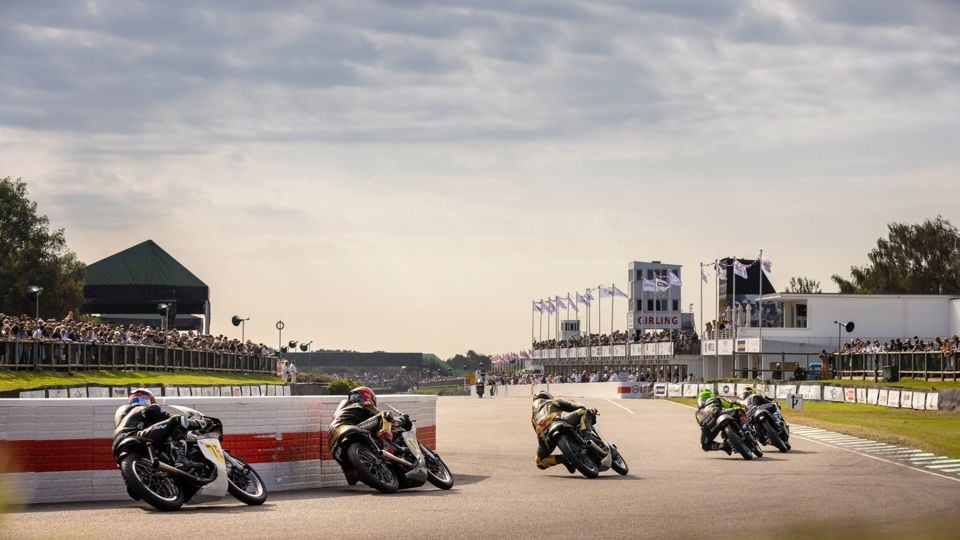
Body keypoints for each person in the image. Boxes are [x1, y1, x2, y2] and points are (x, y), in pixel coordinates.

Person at [328, 386, 401, 484]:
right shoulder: (363, 404)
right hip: (348, 427)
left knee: (351, 476)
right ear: (367, 396)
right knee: (385, 414)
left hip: (333, 443)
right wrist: (399, 421)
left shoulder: (342, 409)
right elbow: (381, 415)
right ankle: (387, 443)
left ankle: (355, 472)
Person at [530, 391, 596, 473]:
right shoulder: (551, 402)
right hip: (557, 422)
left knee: (539, 461)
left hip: (544, 436)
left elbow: (537, 431)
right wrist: (585, 408)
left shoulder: (533, 418)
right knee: (584, 411)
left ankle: (563, 459)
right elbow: (572, 406)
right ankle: (587, 435)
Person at [694, 388, 745, 455]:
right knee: (739, 411)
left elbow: (700, 424)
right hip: (719, 413)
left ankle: (723, 446)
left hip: (709, 427)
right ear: (711, 395)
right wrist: (741, 406)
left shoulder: (698, 412)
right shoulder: (715, 399)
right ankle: (745, 426)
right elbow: (730, 404)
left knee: (705, 445)